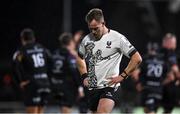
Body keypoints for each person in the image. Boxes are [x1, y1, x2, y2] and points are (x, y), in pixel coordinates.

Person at [74, 8, 142, 113]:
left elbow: (137, 58)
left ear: (103, 23)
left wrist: (123, 76)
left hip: (110, 87)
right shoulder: (87, 39)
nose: (93, 31)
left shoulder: (117, 38)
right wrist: (84, 76)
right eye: (90, 28)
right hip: (93, 88)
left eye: (96, 28)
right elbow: (79, 58)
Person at [12, 28, 51, 113]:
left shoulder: (21, 51)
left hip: (32, 84)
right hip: (45, 83)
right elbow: (52, 62)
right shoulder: (43, 48)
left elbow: (15, 66)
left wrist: (20, 81)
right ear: (34, 38)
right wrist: (47, 76)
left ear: (22, 38)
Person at [50, 33, 84, 113]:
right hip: (67, 87)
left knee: (63, 108)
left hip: (55, 86)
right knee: (66, 109)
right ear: (71, 43)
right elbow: (74, 72)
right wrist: (80, 88)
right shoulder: (70, 55)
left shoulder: (55, 53)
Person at [135, 42, 168, 114]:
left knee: (149, 110)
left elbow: (135, 73)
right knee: (150, 110)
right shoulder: (163, 61)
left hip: (147, 89)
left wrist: (138, 83)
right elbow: (169, 76)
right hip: (159, 90)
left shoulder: (145, 59)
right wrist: (161, 84)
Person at [161, 33, 180, 113]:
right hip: (165, 87)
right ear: (165, 43)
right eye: (172, 43)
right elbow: (175, 69)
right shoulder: (170, 53)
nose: (174, 45)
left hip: (163, 87)